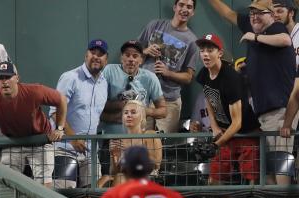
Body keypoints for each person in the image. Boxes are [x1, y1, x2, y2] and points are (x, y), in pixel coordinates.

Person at [207, 0, 296, 184]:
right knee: (269, 168)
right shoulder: (257, 35)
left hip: (280, 110)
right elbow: (226, 13)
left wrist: (253, 37)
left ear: (271, 15)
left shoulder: (274, 28)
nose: (254, 16)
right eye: (252, 13)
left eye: (260, 13)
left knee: (280, 164)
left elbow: (285, 40)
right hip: (265, 113)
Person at [196, 34, 260, 185]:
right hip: (225, 132)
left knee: (252, 176)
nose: (205, 54)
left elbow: (237, 123)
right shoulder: (204, 73)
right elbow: (209, 99)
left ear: (220, 53)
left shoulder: (231, 79)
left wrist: (215, 144)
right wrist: (214, 127)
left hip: (246, 133)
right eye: (202, 50)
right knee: (215, 175)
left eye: (210, 50)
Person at [99, 40, 167, 181]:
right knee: (110, 179)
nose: (131, 59)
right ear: (121, 58)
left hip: (138, 142)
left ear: (141, 60)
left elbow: (163, 111)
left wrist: (141, 110)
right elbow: (98, 106)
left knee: (137, 180)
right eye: (127, 55)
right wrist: (122, 106)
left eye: (135, 56)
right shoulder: (109, 71)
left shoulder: (149, 77)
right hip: (112, 140)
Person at [50, 38, 109, 188]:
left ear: (106, 60)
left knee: (92, 194)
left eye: (100, 54)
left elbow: (97, 115)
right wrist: (73, 138)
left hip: (90, 152)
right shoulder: (70, 78)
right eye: (92, 52)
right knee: (64, 193)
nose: (96, 56)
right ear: (86, 55)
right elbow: (54, 112)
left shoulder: (104, 83)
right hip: (66, 148)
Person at [139, 0, 199, 133]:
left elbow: (189, 77)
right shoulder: (155, 25)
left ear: (193, 12)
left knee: (164, 147)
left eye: (189, 7)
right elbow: (133, 54)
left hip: (170, 100)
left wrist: (168, 73)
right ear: (174, 7)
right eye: (181, 5)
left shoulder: (192, 41)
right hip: (144, 96)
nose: (184, 9)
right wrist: (146, 51)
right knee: (140, 142)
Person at [107, 100, 163, 187]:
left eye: (133, 112)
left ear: (142, 116)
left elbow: (156, 164)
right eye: (126, 113)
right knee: (104, 180)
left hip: (146, 177)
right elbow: (114, 173)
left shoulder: (150, 135)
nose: (129, 115)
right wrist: (114, 155)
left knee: (120, 178)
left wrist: (131, 150)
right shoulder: (118, 140)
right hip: (123, 178)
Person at [272, 0, 299, 66]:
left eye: (279, 11)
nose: (275, 15)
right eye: (272, 12)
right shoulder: (273, 37)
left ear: (291, 13)